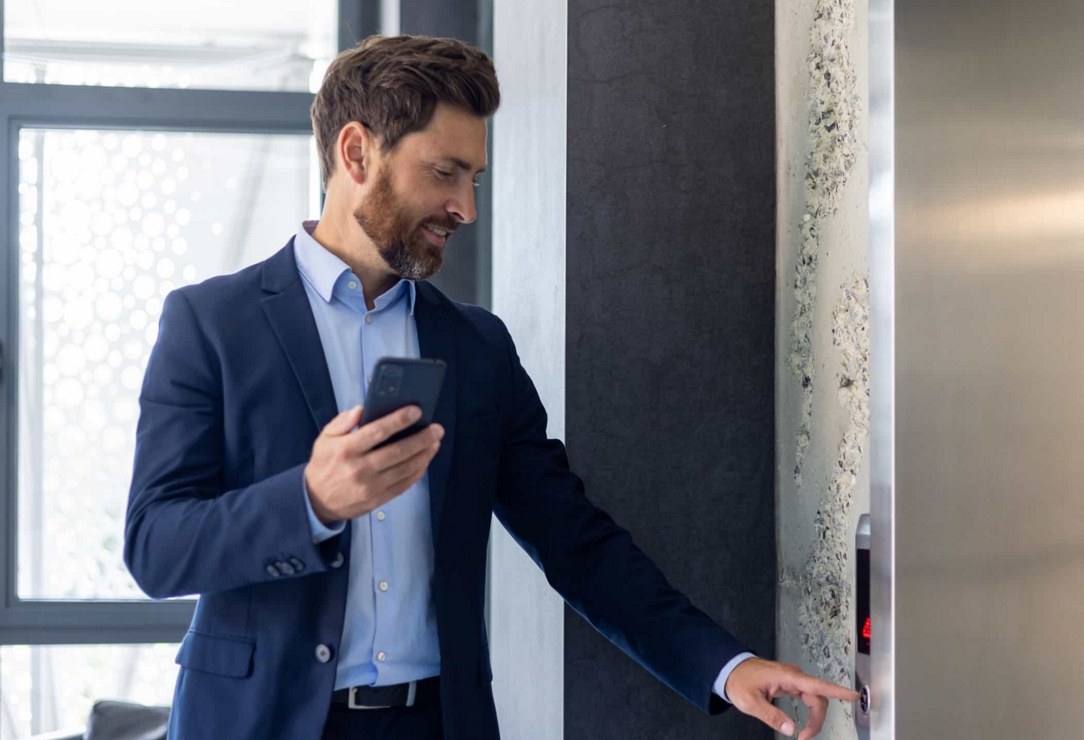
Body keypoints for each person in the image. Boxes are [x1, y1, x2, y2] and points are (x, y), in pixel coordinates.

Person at [124, 34, 857, 740]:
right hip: (258, 723)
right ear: (356, 152)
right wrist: (310, 502)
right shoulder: (210, 324)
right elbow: (156, 546)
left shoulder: (476, 346)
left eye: (473, 179)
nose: (465, 209)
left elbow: (576, 540)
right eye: (444, 173)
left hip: (437, 722)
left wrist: (724, 667)